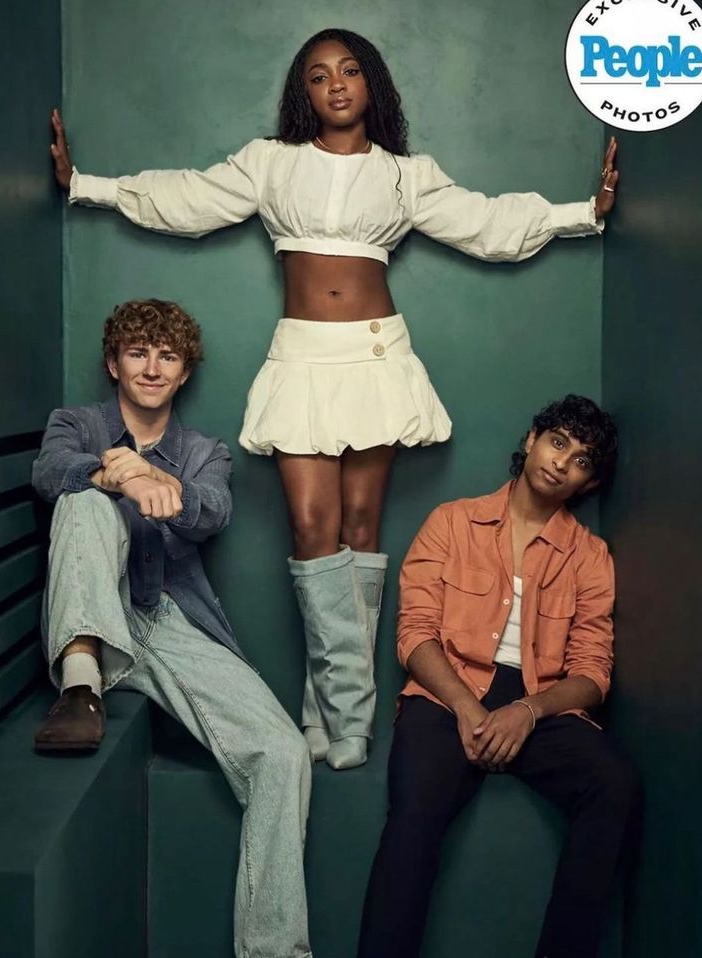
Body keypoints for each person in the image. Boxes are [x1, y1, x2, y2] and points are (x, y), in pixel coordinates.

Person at [49, 28, 620, 770]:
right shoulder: (272, 164)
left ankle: (334, 718)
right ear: (304, 93)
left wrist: (583, 211)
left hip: (377, 354)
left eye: (350, 71)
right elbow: (187, 196)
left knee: (359, 527)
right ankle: (347, 706)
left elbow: (486, 222)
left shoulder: (405, 176)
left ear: (371, 84)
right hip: (303, 356)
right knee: (313, 529)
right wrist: (84, 184)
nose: (337, 86)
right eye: (319, 77)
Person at [32, 299, 313, 958]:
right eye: (137, 352)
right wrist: (113, 475)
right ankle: (80, 683)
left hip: (165, 619)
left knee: (284, 754)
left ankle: (274, 952)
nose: (152, 367)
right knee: (83, 500)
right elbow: (49, 472)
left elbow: (211, 512)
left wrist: (154, 477)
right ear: (113, 362)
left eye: (167, 355)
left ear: (185, 371)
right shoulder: (76, 422)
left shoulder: (202, 450)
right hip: (89, 610)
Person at [356, 394, 642, 958]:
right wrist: (467, 708)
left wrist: (528, 711)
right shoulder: (451, 523)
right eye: (558, 442)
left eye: (581, 460)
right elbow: (414, 635)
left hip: (541, 702)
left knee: (617, 786)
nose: (562, 461)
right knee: (414, 813)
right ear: (531, 439)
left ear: (586, 485)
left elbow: (593, 671)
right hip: (446, 694)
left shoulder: (589, 556)